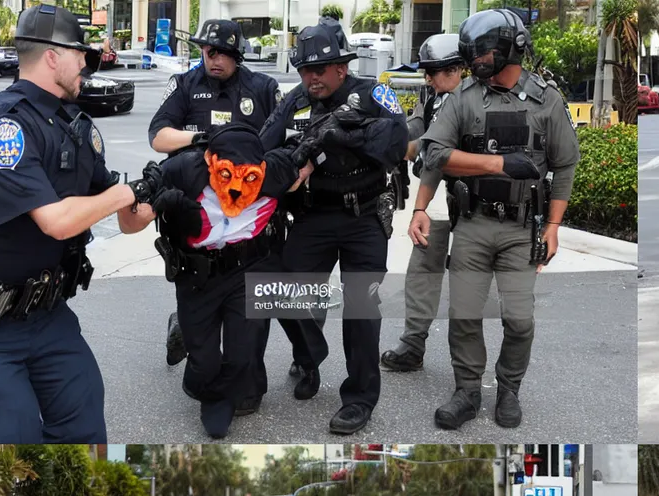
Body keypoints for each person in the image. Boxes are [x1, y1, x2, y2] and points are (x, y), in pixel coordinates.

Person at [0, 4, 157, 444]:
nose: (87, 67)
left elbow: (127, 221)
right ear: (53, 55)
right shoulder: (2, 127)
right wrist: (128, 192)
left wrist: (165, 191)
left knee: (85, 420)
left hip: (49, 315)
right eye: (82, 55)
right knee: (12, 438)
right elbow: (56, 222)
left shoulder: (75, 126)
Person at [413, 9, 577, 431]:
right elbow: (433, 153)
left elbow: (565, 165)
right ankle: (466, 391)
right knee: (464, 314)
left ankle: (508, 389)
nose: (478, 59)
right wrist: (495, 164)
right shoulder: (464, 97)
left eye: (486, 51)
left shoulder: (547, 100)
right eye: (475, 52)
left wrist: (554, 228)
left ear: (511, 48)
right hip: (474, 224)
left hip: (523, 229)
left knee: (519, 320)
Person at [261, 21, 408, 435]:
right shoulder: (295, 100)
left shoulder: (371, 93)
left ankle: (359, 398)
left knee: (362, 311)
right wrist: (296, 155)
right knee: (287, 292)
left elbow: (398, 140)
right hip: (313, 214)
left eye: (320, 69)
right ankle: (309, 358)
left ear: (342, 67)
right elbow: (265, 145)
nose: (311, 77)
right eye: (305, 69)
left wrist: (342, 136)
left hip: (363, 215)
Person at [148, 17, 281, 384]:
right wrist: (202, 140)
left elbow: (283, 142)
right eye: (208, 51)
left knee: (251, 303)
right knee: (194, 282)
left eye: (222, 53)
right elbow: (158, 137)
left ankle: (248, 383)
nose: (214, 59)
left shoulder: (263, 87)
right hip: (193, 208)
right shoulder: (186, 85)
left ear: (237, 55)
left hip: (246, 210)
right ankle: (189, 331)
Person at [149, 125, 301, 438]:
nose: (235, 188)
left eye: (247, 177)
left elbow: (302, 165)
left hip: (247, 271)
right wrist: (159, 200)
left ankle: (218, 401)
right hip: (197, 276)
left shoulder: (276, 171)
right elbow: (134, 211)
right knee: (204, 361)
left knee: (243, 352)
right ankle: (196, 364)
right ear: (209, 161)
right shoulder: (182, 170)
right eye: (225, 174)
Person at [380, 33, 468, 374]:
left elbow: (438, 145)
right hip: (435, 196)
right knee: (423, 271)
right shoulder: (431, 95)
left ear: (457, 69)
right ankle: (413, 343)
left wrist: (416, 148)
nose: (428, 78)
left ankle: (467, 364)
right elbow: (418, 126)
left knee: (468, 280)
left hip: (473, 199)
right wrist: (396, 136)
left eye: (435, 71)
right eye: (427, 72)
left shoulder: (472, 98)